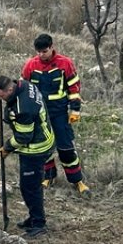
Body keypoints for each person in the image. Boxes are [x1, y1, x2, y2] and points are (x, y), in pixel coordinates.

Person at [22, 33, 89, 194]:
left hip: (59, 113)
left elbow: (74, 88)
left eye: (44, 51)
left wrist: (75, 110)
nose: (41, 55)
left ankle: (77, 181)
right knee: (44, 149)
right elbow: (24, 88)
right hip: (39, 115)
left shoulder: (65, 63)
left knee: (66, 149)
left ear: (52, 47)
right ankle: (48, 177)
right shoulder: (31, 65)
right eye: (38, 52)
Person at [0, 75, 54, 237]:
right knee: (28, 185)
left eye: (2, 96)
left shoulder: (23, 108)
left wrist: (6, 148)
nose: (0, 99)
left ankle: (39, 224)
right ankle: (33, 218)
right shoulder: (24, 85)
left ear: (10, 89)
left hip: (35, 148)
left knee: (30, 187)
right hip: (42, 136)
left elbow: (23, 137)